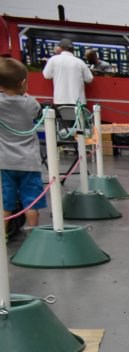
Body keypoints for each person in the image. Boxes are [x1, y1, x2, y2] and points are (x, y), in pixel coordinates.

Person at [1, 57, 45, 237]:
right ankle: (33, 235)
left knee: (5, 203)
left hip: (4, 162)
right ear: (23, 82)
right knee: (31, 202)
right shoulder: (30, 103)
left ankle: (2, 237)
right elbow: (37, 112)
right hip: (29, 162)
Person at [42, 38, 93, 106]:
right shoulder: (80, 62)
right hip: (78, 102)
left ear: (60, 48)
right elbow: (89, 79)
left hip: (60, 100)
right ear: (72, 49)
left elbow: (47, 75)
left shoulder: (53, 60)